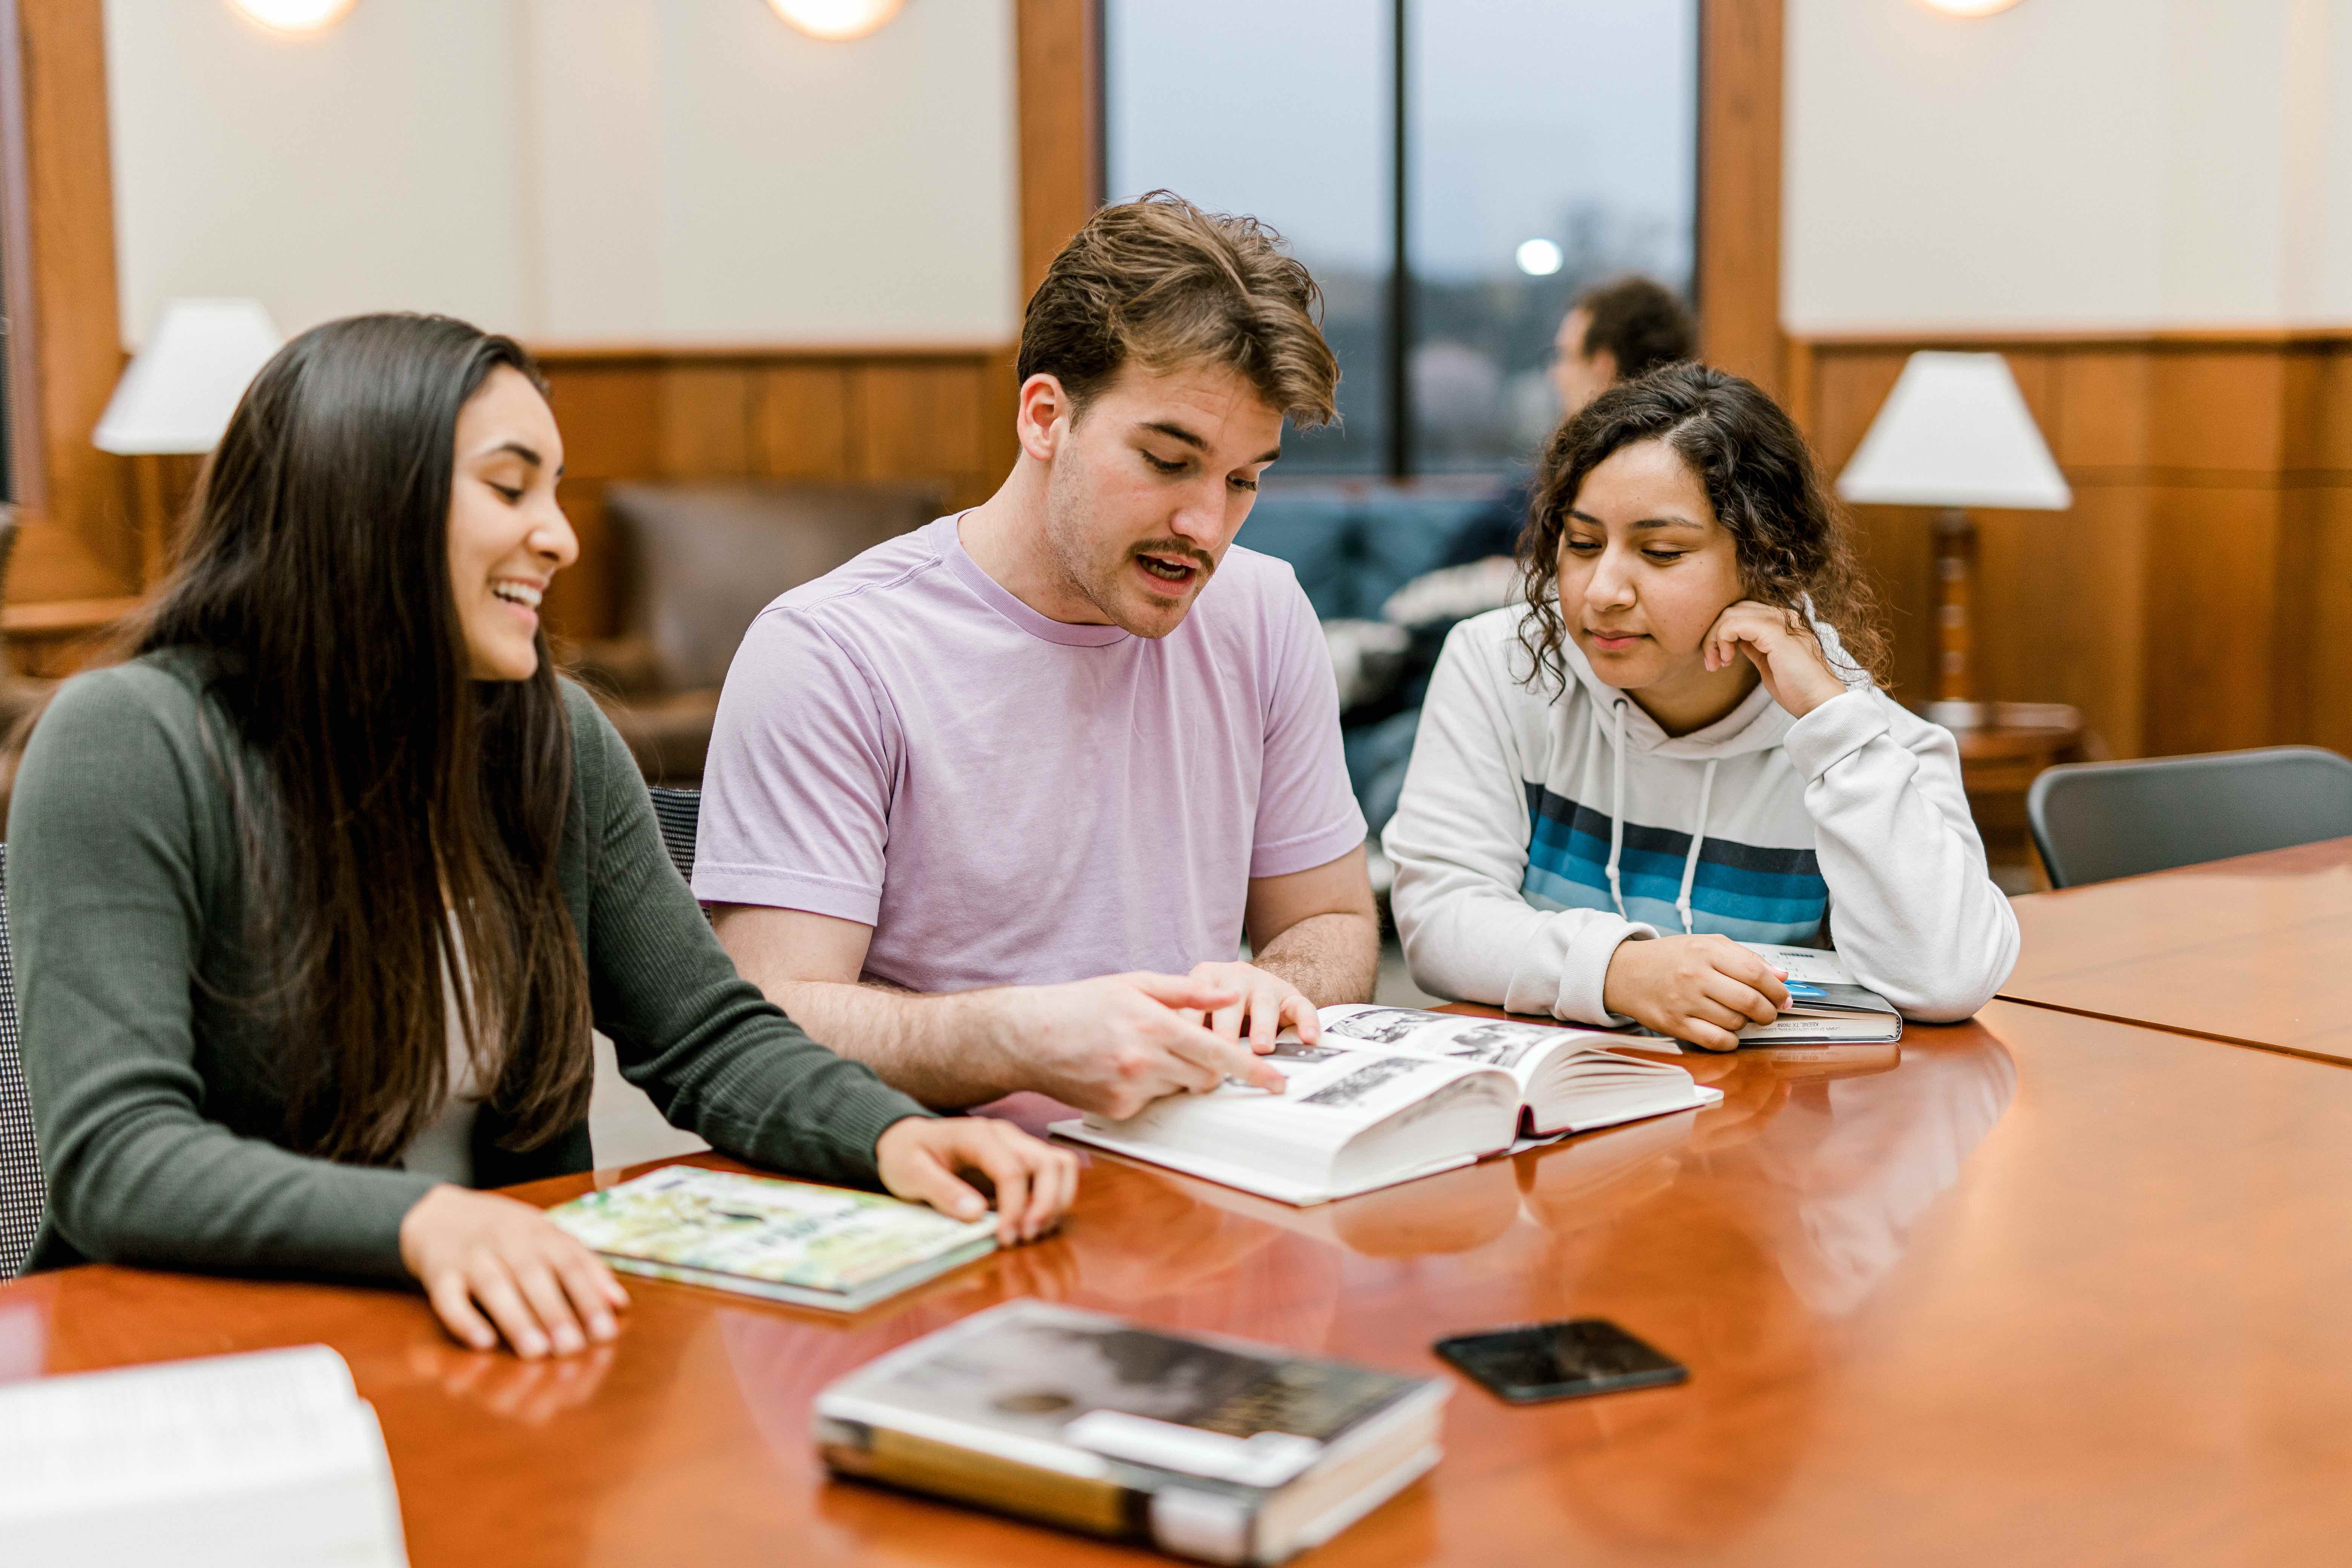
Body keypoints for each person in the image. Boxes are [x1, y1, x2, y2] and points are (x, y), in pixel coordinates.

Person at [7, 314, 1076, 1358]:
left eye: (555, 493)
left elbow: (705, 1035)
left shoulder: (552, 733)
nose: (560, 536)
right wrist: (421, 1223)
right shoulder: (127, 742)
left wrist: (887, 1133)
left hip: (495, 1333)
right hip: (203, 1369)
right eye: (511, 488)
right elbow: (118, 1157)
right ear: (363, 499)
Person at [698, 193, 1380, 1118]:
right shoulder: (832, 652)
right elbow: (769, 1021)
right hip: (944, 1190)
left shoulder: (1261, 610)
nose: (1206, 527)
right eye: (1168, 460)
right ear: (1045, 416)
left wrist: (1281, 987)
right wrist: (1021, 1038)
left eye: (1243, 480)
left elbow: (1330, 921)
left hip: (1205, 1168)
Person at [1383, 361, 2018, 1049]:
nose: (1602, 591)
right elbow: (1439, 917)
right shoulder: (1498, 665)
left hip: (1768, 1122)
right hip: (1555, 1096)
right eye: (1583, 543)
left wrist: (1833, 731)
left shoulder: (1858, 734)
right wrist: (1620, 971)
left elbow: (1949, 977)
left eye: (1660, 552)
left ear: (1764, 561)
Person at [1344, 276, 1698, 839]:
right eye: (1584, 543)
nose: (1554, 373)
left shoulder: (1549, 495)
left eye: (1562, 356)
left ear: (1602, 365)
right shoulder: (1540, 487)